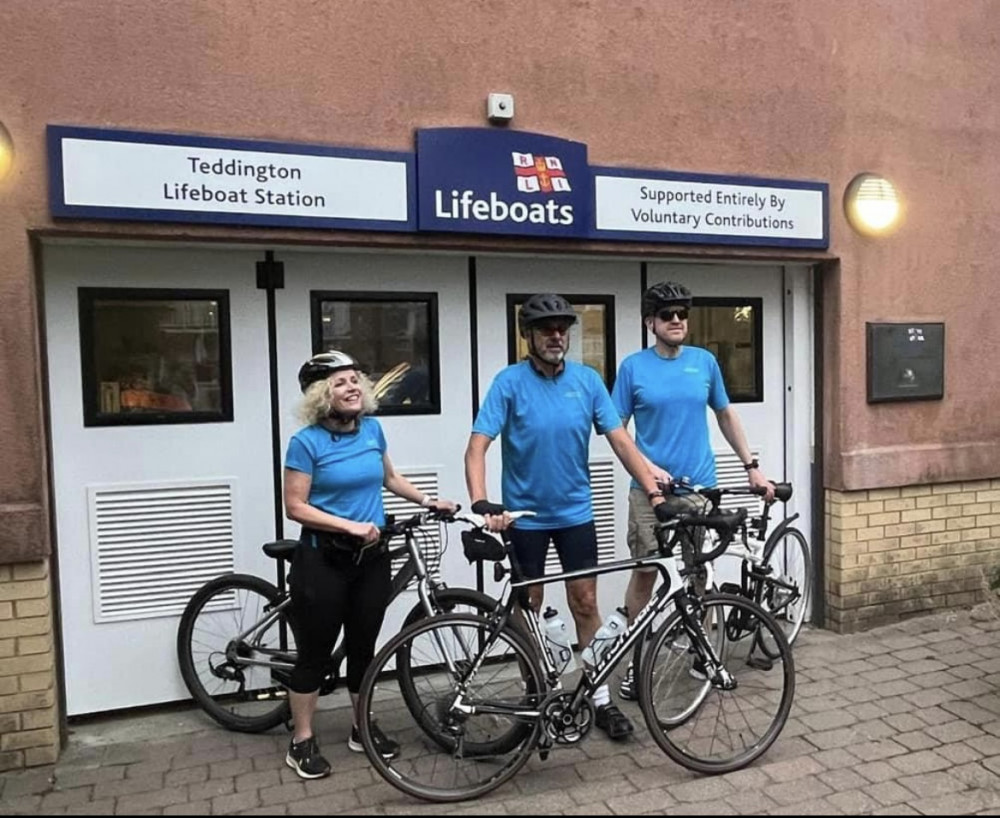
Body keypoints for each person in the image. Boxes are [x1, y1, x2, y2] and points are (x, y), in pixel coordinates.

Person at [464, 293, 666, 741]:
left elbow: (621, 442)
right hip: (525, 518)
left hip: (575, 513)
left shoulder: (588, 381)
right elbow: (477, 446)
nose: (557, 336)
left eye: (562, 329)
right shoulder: (509, 382)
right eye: (546, 330)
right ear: (528, 337)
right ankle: (536, 696)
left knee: (585, 603)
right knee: (529, 607)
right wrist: (481, 503)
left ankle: (599, 698)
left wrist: (652, 491)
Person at [282, 350, 458, 779]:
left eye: (355, 379)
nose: (352, 387)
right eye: (340, 383)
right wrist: (349, 525)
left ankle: (362, 727)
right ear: (322, 395)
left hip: (370, 558)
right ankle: (301, 739)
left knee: (365, 648)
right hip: (324, 556)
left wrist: (427, 500)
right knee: (315, 654)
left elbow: (389, 479)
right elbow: (295, 506)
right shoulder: (306, 442)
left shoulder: (373, 430)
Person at [611, 281, 775, 701]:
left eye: (682, 313)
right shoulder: (633, 368)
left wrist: (751, 466)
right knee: (646, 573)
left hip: (699, 488)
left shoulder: (704, 362)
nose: (677, 320)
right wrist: (649, 470)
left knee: (697, 572)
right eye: (667, 315)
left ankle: (701, 652)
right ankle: (634, 664)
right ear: (651, 322)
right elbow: (617, 432)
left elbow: (724, 414)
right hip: (651, 494)